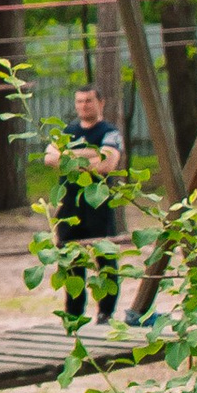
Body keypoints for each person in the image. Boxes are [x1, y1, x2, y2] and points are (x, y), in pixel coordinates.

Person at [54, 81, 129, 327]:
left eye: (88, 101)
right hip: (69, 208)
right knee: (71, 263)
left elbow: (107, 164)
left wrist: (69, 157)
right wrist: (90, 154)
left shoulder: (109, 131)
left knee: (105, 262)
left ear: (101, 103)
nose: (83, 106)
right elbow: (49, 157)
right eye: (79, 101)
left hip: (98, 205)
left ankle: (106, 314)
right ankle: (74, 317)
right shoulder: (68, 131)